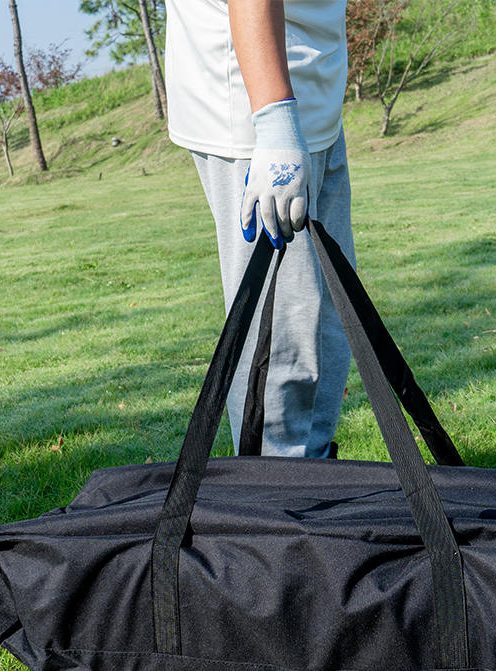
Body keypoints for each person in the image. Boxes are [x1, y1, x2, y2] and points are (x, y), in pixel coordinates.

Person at [164, 0, 354, 459]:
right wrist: (275, 124)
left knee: (329, 322)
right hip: (262, 112)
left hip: (314, 101)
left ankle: (312, 476)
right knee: (285, 335)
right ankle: (277, 495)